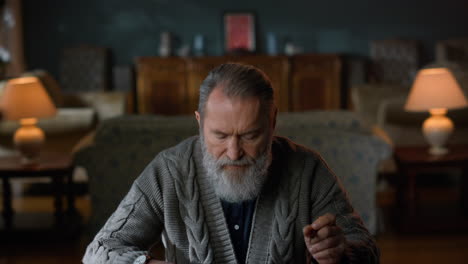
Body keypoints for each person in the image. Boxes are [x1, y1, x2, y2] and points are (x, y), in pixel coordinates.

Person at [83, 63, 379, 264]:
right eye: (220, 136)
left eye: (250, 135)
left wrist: (343, 252)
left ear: (272, 121)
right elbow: (99, 252)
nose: (234, 152)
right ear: (199, 124)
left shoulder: (308, 169)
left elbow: (367, 250)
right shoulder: (168, 171)